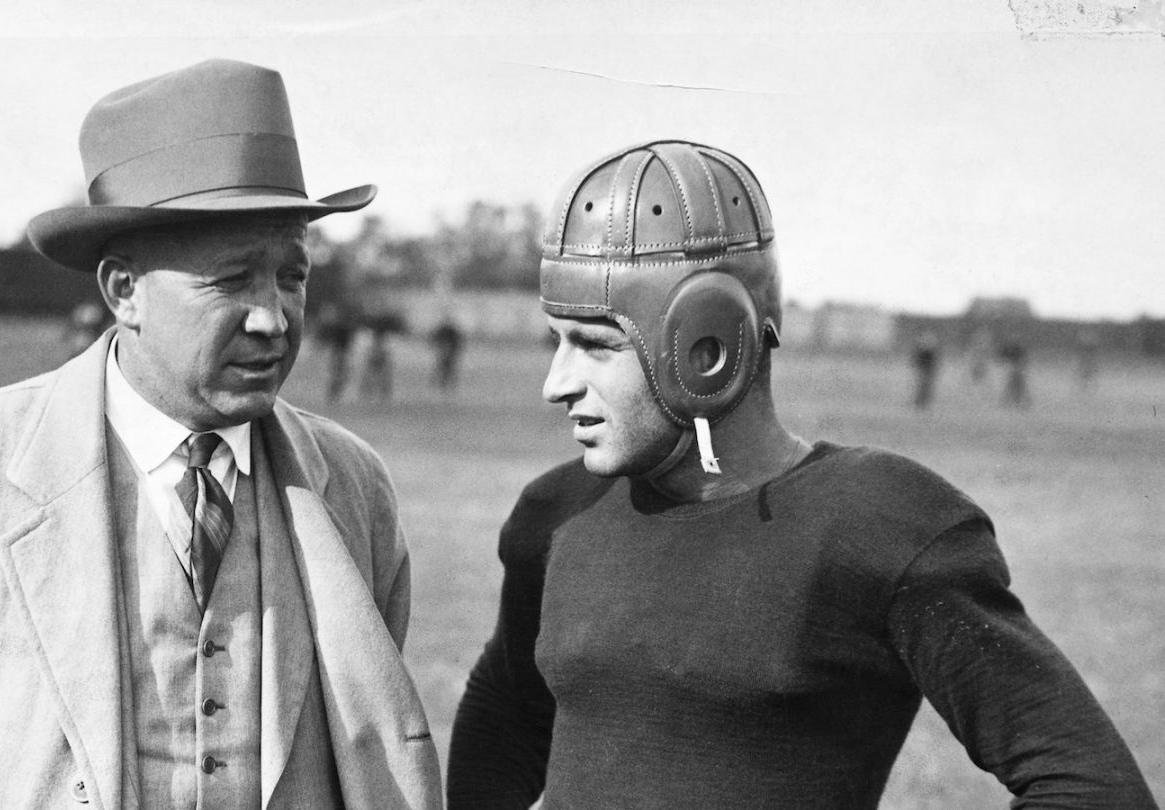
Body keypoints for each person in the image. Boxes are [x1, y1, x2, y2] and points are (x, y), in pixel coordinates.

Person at [0, 59, 441, 810]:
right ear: (124, 291)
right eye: (231, 280)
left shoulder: (353, 486)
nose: (273, 318)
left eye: (292, 275)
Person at [447, 140, 1156, 809]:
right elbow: (508, 716)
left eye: (594, 344)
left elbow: (1092, 787)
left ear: (705, 344)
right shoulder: (557, 512)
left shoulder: (876, 524)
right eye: (555, 340)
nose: (555, 382)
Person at [429, 315, 464, 392]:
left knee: (447, 368)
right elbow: (435, 338)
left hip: (448, 351)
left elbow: (458, 341)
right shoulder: (447, 330)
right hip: (445, 351)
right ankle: (441, 383)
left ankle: (445, 384)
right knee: (443, 367)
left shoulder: (450, 330)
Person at [909, 330, 940, 410]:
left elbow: (934, 360)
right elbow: (916, 359)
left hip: (928, 369)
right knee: (922, 386)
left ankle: (923, 402)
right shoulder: (922, 348)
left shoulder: (928, 349)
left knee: (926, 386)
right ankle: (920, 402)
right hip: (924, 369)